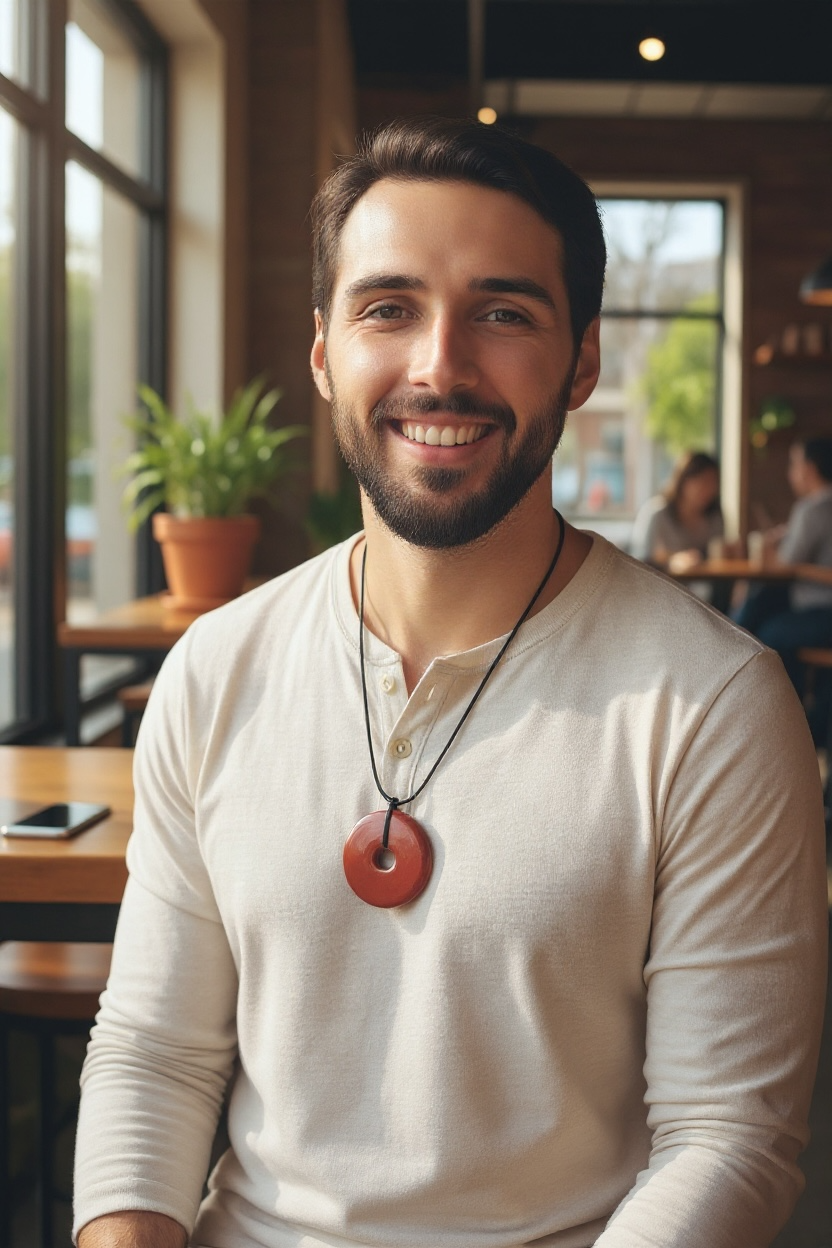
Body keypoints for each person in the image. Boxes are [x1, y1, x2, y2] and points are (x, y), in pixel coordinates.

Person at [74, 119, 827, 1248]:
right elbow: (153, 1054)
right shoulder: (217, 671)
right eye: (389, 308)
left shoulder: (712, 706)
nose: (438, 364)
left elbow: (726, 1139)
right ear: (325, 349)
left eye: (503, 312)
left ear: (581, 361)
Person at [736, 437, 832, 703]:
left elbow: (784, 566)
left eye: (794, 464)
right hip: (819, 613)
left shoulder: (812, 509)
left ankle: (784, 709)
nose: (791, 473)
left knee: (767, 635)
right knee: (762, 609)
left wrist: (769, 545)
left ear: (810, 469)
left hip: (822, 614)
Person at [630, 450, 723, 572]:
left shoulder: (713, 515)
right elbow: (640, 559)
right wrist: (672, 561)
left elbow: (715, 555)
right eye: (703, 481)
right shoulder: (657, 512)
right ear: (684, 480)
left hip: (701, 586)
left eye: (713, 483)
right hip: (662, 586)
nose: (709, 489)